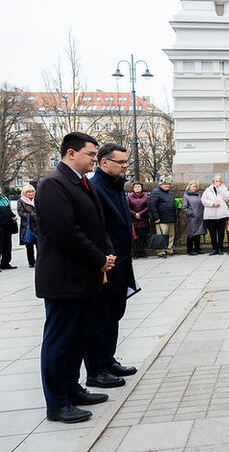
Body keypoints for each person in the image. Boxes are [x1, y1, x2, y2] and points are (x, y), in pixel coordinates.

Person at [35, 132, 115, 424]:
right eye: (91, 154)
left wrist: (107, 253)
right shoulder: (52, 185)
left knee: (78, 338)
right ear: (71, 154)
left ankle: (72, 389)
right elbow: (66, 232)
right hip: (63, 279)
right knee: (60, 342)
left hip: (84, 277)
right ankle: (56, 403)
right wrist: (99, 258)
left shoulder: (81, 183)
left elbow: (97, 224)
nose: (95, 159)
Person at [86, 143, 139, 389]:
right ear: (104, 162)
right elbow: (96, 228)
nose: (125, 166)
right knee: (100, 318)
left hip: (121, 262)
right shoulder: (96, 188)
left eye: (126, 162)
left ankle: (108, 360)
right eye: (121, 162)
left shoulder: (116, 185)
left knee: (115, 314)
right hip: (106, 264)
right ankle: (96, 370)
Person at [201, 174, 229, 255]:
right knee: (212, 233)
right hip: (210, 215)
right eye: (216, 181)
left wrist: (220, 188)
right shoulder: (208, 190)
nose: (218, 182)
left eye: (220, 181)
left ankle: (220, 248)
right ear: (213, 182)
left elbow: (227, 198)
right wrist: (212, 204)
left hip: (221, 214)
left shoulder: (223, 189)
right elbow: (203, 200)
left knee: (221, 232)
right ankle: (214, 249)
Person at [150, 178, 176, 258]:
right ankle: (161, 251)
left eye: (168, 184)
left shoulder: (169, 193)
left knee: (171, 235)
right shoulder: (155, 192)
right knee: (161, 236)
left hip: (171, 218)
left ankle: (169, 249)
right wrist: (156, 217)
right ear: (160, 185)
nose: (168, 186)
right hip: (161, 219)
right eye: (165, 184)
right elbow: (152, 206)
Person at [126, 182, 150, 258]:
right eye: (135, 187)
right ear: (133, 188)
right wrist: (135, 214)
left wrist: (140, 213)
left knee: (142, 236)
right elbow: (127, 208)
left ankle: (141, 251)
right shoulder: (129, 197)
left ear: (141, 188)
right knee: (135, 237)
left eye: (139, 186)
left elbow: (148, 207)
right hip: (133, 220)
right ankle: (135, 252)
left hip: (143, 219)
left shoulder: (146, 196)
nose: (137, 188)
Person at [182, 180, 205, 255]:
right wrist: (191, 213)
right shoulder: (186, 195)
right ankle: (190, 250)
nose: (195, 188)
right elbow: (184, 207)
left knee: (198, 233)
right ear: (190, 186)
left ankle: (197, 248)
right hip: (192, 217)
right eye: (193, 186)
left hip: (199, 216)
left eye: (196, 187)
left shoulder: (199, 194)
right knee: (191, 234)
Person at [17, 184, 37, 267]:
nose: (30, 193)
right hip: (27, 226)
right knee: (29, 245)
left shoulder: (37, 199)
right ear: (24, 193)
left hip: (38, 225)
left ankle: (39, 261)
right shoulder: (21, 201)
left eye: (32, 191)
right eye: (28, 192)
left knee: (40, 245)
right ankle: (31, 262)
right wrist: (33, 215)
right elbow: (21, 213)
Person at [0, 185, 18, 269]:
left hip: (8, 226)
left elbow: (9, 211)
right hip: (1, 226)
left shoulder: (5, 199)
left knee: (7, 245)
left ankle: (5, 263)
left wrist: (13, 216)